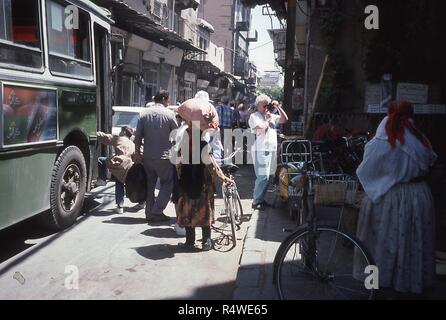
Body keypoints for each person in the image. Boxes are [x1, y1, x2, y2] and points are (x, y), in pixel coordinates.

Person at [354, 100, 437, 297]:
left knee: (378, 245)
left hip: (389, 199)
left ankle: (375, 285)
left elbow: (366, 171)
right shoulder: (420, 139)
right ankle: (408, 284)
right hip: (418, 196)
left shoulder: (381, 141)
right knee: (411, 244)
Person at [134, 90, 179, 223]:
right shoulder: (170, 114)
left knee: (150, 184)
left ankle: (149, 213)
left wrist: (137, 154)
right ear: (164, 98)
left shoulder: (143, 113)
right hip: (164, 157)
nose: (169, 102)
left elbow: (137, 137)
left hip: (147, 156)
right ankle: (157, 211)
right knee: (168, 183)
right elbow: (177, 136)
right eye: (168, 99)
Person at [248, 94, 288, 210]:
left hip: (272, 149)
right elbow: (260, 129)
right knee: (262, 177)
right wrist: (268, 120)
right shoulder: (254, 116)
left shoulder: (270, 115)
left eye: (268, 105)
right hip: (261, 150)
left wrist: (278, 107)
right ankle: (255, 201)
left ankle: (261, 199)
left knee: (269, 177)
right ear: (258, 105)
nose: (266, 107)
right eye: (264, 105)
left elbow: (284, 119)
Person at [97, 126, 144, 213]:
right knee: (132, 185)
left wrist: (97, 133)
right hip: (130, 167)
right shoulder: (132, 144)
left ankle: (102, 180)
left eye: (121, 131)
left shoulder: (119, 139)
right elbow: (139, 154)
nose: (120, 132)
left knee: (100, 160)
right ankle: (141, 202)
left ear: (124, 132)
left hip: (119, 164)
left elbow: (106, 138)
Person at [215, 96, 234, 160]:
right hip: (228, 128)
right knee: (226, 144)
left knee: (219, 143)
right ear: (228, 102)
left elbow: (215, 118)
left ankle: (221, 158)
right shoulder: (230, 109)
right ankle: (226, 158)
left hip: (221, 128)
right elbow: (232, 120)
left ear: (221, 101)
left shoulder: (218, 108)